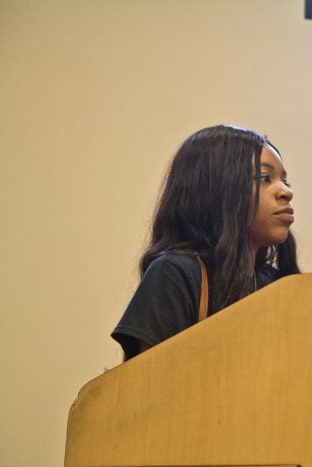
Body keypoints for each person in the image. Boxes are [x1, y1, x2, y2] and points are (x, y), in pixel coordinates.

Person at [112, 125, 300, 360]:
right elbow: (151, 387)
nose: (286, 192)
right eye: (264, 178)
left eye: (285, 181)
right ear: (218, 189)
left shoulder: (276, 284)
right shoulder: (175, 272)